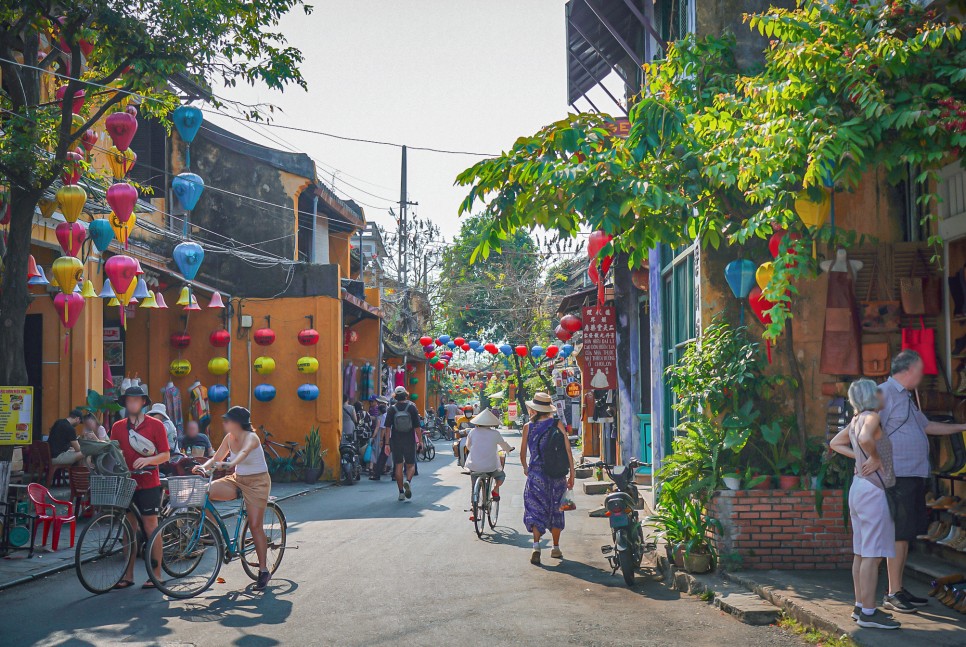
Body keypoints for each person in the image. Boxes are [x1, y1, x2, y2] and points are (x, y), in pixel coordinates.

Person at [878, 350, 966, 613]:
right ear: (907, 370)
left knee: (906, 535)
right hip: (899, 475)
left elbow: (926, 426)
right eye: (920, 369)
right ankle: (893, 593)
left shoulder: (905, 396)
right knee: (898, 534)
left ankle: (898, 588)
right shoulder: (885, 392)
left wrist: (963, 427)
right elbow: (872, 429)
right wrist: (883, 467)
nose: (923, 374)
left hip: (913, 474)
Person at [830, 379, 900, 630]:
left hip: (858, 487)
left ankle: (861, 606)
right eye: (878, 391)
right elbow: (864, 437)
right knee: (873, 554)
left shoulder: (856, 418)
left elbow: (836, 444)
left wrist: (861, 456)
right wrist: (874, 456)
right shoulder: (870, 417)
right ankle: (869, 613)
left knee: (861, 551)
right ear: (871, 396)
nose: (882, 394)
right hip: (874, 490)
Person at [192, 406, 273, 591]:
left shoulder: (251, 437)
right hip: (237, 480)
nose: (225, 423)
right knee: (204, 492)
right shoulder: (229, 438)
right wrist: (203, 467)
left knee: (254, 526)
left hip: (257, 483)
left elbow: (241, 455)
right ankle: (217, 535)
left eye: (228, 420)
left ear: (238, 423)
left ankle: (263, 571)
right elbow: (216, 457)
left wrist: (228, 464)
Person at [110, 385, 170, 590]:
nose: (132, 403)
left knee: (151, 527)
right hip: (127, 483)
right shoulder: (118, 427)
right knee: (128, 529)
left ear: (144, 402)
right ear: (125, 403)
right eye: (129, 400)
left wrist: (149, 460)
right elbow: (113, 452)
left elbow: (166, 454)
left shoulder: (156, 425)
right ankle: (128, 575)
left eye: (136, 400)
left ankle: (157, 574)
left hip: (149, 483)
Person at [521, 392, 575, 565]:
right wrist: (572, 473)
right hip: (557, 474)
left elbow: (523, 453)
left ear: (535, 409)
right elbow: (567, 450)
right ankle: (556, 548)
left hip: (536, 474)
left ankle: (536, 546)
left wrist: (526, 468)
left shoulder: (528, 427)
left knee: (535, 508)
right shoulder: (557, 423)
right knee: (556, 509)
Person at [463, 409, 513, 519]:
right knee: (501, 475)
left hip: (474, 465)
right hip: (490, 467)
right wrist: (509, 449)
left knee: (473, 486)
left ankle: (473, 510)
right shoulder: (495, 433)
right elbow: (504, 445)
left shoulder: (472, 432)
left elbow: (468, 446)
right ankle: (495, 489)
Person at [385, 386, 421, 501]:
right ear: (406, 394)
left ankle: (401, 493)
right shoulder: (412, 407)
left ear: (395, 396)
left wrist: (386, 443)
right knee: (411, 465)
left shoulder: (391, 409)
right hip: (409, 440)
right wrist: (420, 441)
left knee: (398, 466)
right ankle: (408, 481)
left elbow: (387, 428)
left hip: (396, 441)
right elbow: (417, 427)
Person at [369, 398, 389, 480]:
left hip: (383, 437)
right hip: (392, 437)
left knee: (381, 454)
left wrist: (376, 437)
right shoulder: (389, 415)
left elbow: (380, 428)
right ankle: (390, 471)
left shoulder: (381, 417)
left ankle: (376, 472)